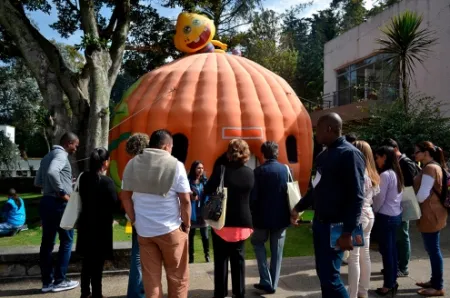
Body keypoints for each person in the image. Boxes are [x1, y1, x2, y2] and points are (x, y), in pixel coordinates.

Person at [291, 113, 366, 298]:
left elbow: (357, 196)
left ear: (329, 129)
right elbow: (316, 189)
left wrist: (348, 232)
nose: (315, 135)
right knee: (324, 275)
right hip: (320, 224)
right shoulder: (324, 155)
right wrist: (298, 208)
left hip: (338, 226)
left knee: (331, 277)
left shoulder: (350, 154)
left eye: (317, 130)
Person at [121, 129, 191, 298]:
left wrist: (135, 220)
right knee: (178, 279)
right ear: (166, 146)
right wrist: (187, 225)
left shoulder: (132, 164)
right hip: (171, 229)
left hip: (144, 231)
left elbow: (125, 196)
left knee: (151, 280)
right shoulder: (176, 165)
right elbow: (186, 200)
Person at [204, 139, 255, 298]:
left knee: (221, 260)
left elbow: (207, 190)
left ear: (229, 152)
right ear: (246, 154)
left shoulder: (221, 170)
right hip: (243, 222)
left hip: (221, 221)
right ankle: (239, 293)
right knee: (239, 260)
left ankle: (220, 293)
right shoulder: (250, 173)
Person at [34, 132, 80, 293]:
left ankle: (47, 282)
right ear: (69, 143)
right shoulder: (61, 155)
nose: (76, 148)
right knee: (66, 241)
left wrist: (66, 182)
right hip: (59, 203)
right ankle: (60, 280)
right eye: (76, 145)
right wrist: (62, 191)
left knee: (47, 244)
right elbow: (52, 172)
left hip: (46, 202)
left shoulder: (47, 156)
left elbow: (38, 181)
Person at [77, 148, 118, 298]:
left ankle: (84, 292)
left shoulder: (83, 178)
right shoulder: (107, 182)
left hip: (86, 224)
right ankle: (97, 293)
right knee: (97, 265)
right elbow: (114, 203)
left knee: (87, 263)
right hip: (101, 227)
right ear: (104, 162)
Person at [251, 141, 290, 294]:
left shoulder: (258, 172)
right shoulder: (286, 170)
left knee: (257, 243)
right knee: (277, 252)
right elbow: (291, 192)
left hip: (261, 218)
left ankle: (265, 280)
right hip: (281, 218)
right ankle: (272, 283)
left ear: (263, 154)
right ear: (277, 153)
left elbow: (253, 198)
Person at [413, 141, 447, 297]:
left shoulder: (430, 168)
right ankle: (434, 281)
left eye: (417, 152)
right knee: (433, 249)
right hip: (434, 213)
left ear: (426, 153)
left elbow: (422, 195)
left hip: (430, 213)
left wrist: (410, 199)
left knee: (433, 250)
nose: (415, 155)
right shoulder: (433, 166)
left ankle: (438, 286)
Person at [381, 138, 419, 277]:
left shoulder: (406, 162)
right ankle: (395, 264)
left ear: (395, 149)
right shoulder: (397, 162)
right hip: (396, 205)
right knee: (396, 236)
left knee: (402, 235)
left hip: (403, 204)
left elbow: (409, 185)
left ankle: (403, 266)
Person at [347, 141, 380, 298]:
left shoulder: (358, 172)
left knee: (354, 258)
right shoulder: (372, 172)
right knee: (363, 255)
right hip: (369, 215)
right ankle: (363, 291)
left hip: (359, 216)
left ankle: (352, 294)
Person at [373, 146, 404, 296]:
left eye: (377, 157)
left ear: (384, 157)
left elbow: (379, 198)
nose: (376, 160)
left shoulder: (385, 175)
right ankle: (392, 281)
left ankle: (388, 284)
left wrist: (374, 211)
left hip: (386, 217)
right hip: (395, 215)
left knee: (387, 252)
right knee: (392, 251)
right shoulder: (396, 173)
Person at [124, 133, 149, 298]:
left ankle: (136, 291)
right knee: (143, 257)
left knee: (138, 255)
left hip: (135, 213)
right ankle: (138, 291)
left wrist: (131, 217)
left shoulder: (130, 165)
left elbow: (126, 193)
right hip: (147, 214)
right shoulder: (148, 164)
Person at [187, 160, 210, 264]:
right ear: (193, 169)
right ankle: (191, 258)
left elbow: (209, 194)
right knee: (190, 236)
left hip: (203, 212)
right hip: (192, 212)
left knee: (205, 236)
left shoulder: (205, 181)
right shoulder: (188, 181)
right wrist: (190, 195)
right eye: (198, 168)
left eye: (202, 168)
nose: (200, 170)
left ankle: (207, 255)